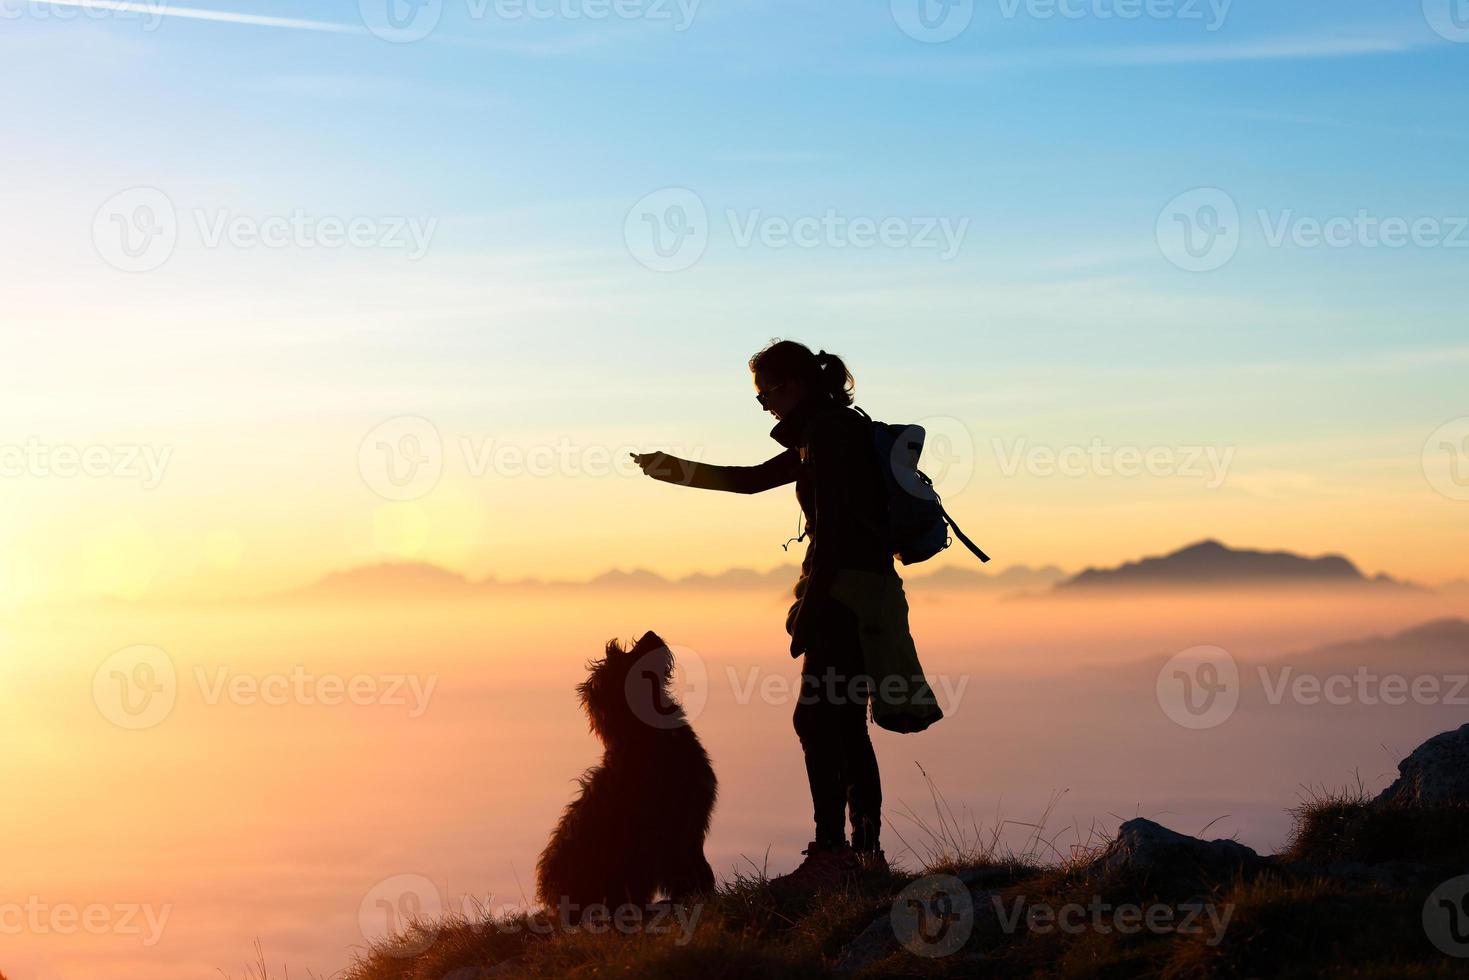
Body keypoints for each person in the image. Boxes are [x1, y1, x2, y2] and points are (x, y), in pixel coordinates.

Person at [631, 339, 897, 892]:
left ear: (791, 385)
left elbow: (834, 535)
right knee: (843, 722)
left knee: (821, 720)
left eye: (765, 395)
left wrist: (810, 610)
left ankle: (835, 854)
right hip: (863, 594)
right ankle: (863, 855)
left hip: (841, 598)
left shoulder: (826, 436)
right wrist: (674, 470)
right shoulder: (832, 428)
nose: (766, 407)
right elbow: (751, 480)